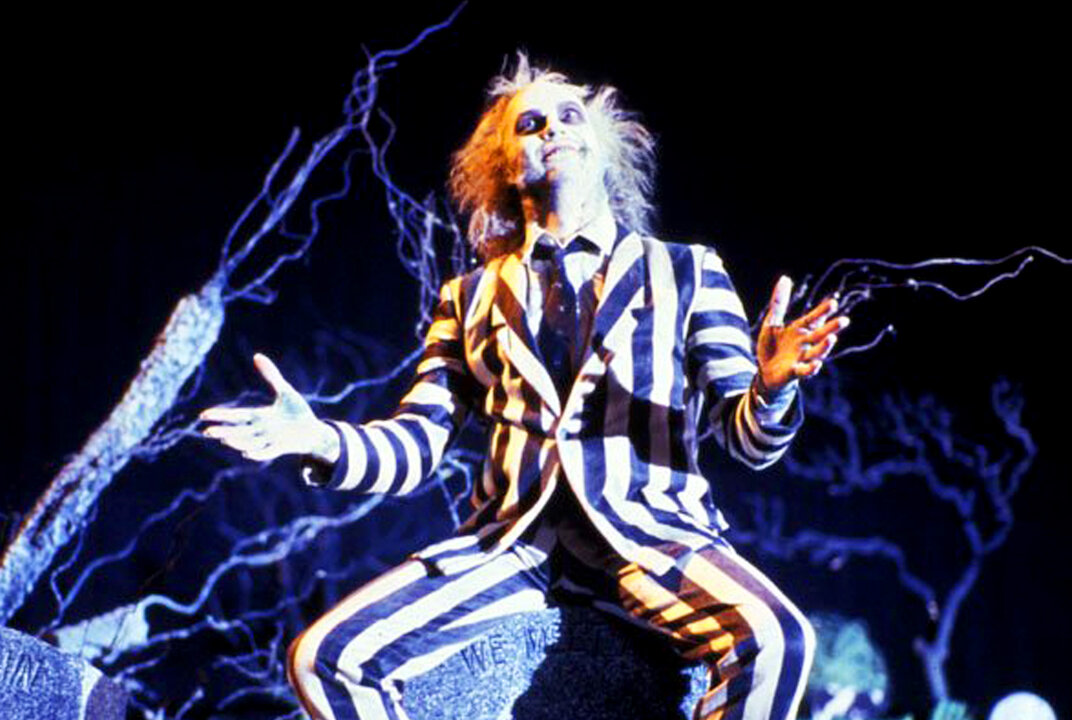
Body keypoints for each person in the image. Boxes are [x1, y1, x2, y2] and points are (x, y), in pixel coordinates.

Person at [200, 55, 848, 720]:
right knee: (324, 659)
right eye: (530, 124)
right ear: (508, 166)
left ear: (602, 151)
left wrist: (772, 387)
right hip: (512, 547)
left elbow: (750, 441)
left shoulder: (686, 271)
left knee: (779, 640)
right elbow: (416, 443)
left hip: (651, 538)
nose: (552, 130)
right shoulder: (469, 297)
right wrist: (320, 440)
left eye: (569, 117)